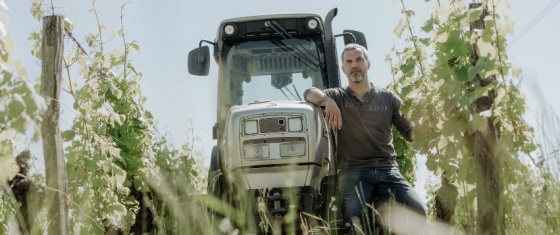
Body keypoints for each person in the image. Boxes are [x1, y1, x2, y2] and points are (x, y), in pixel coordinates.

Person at [304, 43, 425, 234]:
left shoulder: (389, 98)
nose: (354, 65)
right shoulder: (337, 96)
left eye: (359, 60)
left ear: (368, 64)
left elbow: (409, 132)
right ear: (343, 69)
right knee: (357, 224)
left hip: (388, 170)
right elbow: (309, 92)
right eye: (349, 62)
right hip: (354, 172)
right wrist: (326, 101)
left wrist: (427, 130)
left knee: (418, 211)